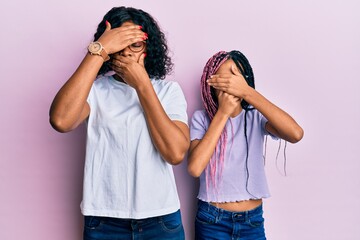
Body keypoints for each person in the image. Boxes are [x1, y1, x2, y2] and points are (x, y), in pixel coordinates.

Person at [49, 6, 189, 240]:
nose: (126, 54)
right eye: (119, 45)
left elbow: (175, 153)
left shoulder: (168, 91)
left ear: (148, 47)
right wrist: (99, 49)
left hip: (160, 220)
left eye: (135, 44)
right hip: (104, 221)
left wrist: (142, 85)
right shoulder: (95, 91)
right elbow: (61, 120)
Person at [187, 50, 304, 239]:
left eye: (235, 81)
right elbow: (194, 168)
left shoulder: (256, 116)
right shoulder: (202, 118)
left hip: (252, 221)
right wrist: (223, 114)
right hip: (212, 220)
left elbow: (295, 134)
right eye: (223, 81)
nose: (230, 88)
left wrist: (248, 92)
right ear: (211, 85)